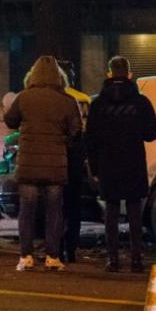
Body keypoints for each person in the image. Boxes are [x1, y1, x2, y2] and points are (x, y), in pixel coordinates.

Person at [4, 56, 81, 272]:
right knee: (54, 211)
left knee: (27, 210)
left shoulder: (24, 97)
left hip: (29, 163)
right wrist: (63, 141)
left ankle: (26, 256)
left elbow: (10, 120)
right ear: (58, 76)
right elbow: (76, 130)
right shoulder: (66, 100)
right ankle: (52, 256)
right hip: (55, 165)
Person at [85, 56, 156, 273]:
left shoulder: (98, 104)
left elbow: (91, 139)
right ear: (129, 74)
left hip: (108, 163)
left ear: (109, 74)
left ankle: (113, 259)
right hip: (133, 162)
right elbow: (152, 133)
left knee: (111, 211)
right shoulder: (141, 102)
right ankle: (136, 259)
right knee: (134, 211)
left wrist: (95, 168)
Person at [57, 59, 92, 263]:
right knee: (73, 205)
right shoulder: (83, 99)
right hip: (76, 157)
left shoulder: (53, 98)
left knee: (55, 205)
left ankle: (56, 247)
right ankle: (71, 248)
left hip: (56, 157)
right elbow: (86, 130)